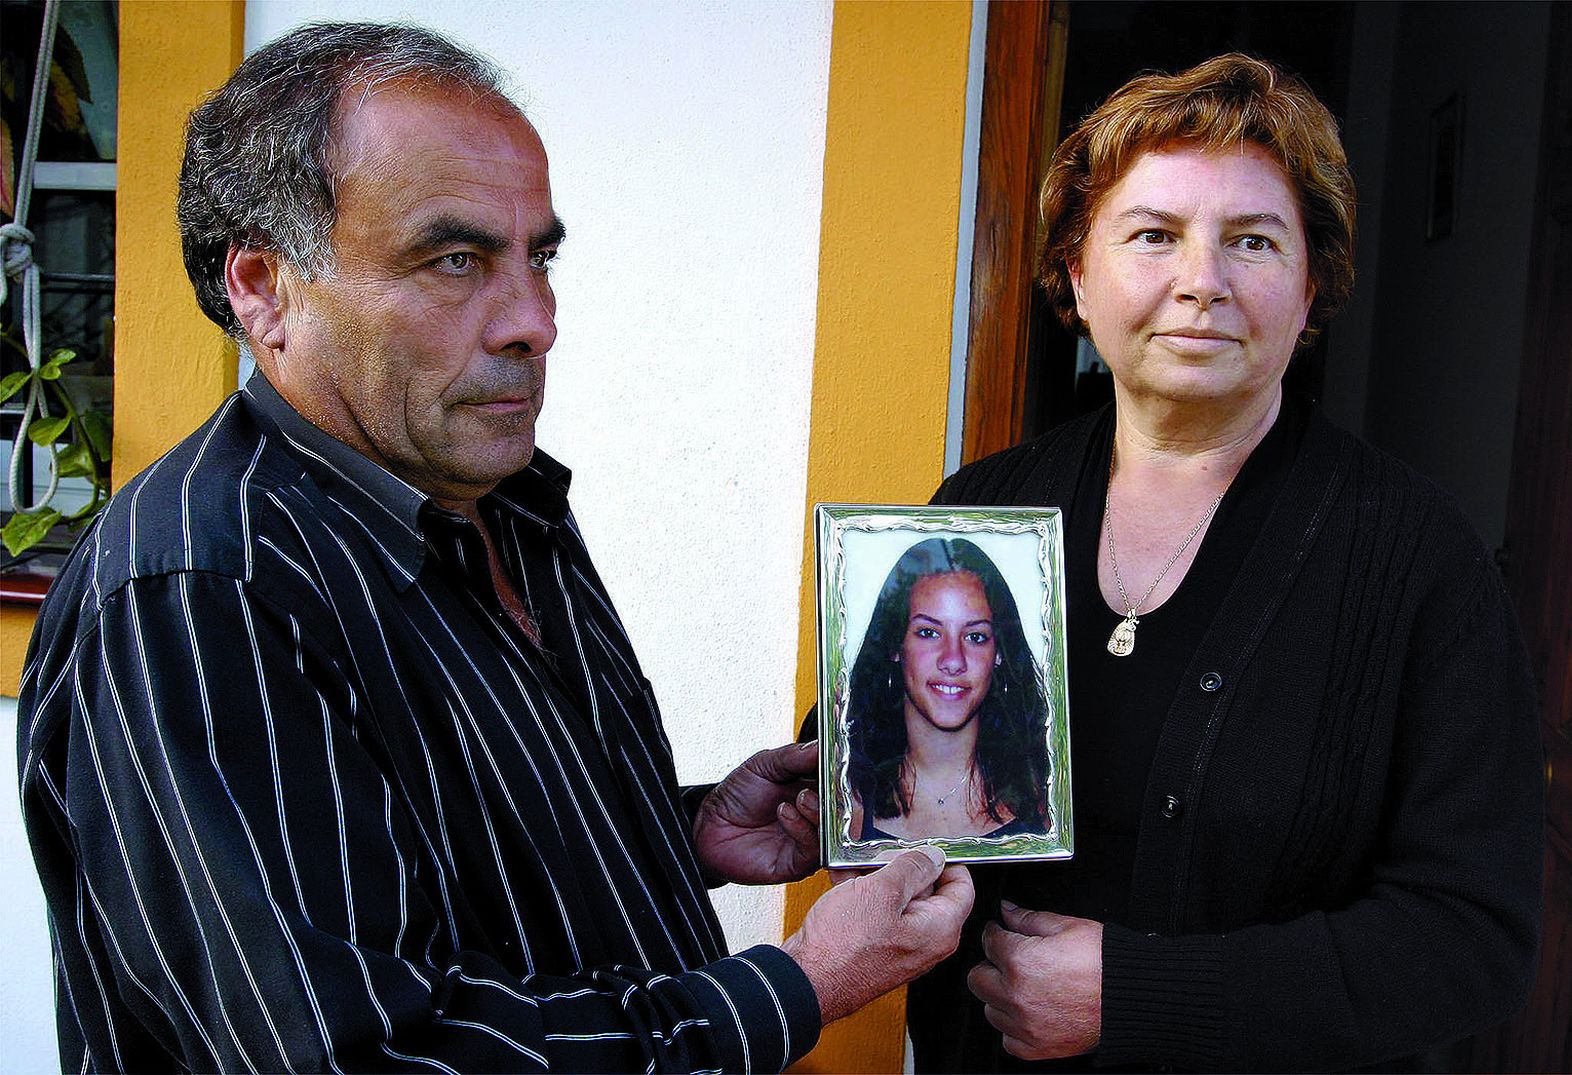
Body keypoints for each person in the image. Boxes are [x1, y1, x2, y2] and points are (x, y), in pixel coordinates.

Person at [16, 22, 974, 1073]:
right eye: (453, 258)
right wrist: (800, 981)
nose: (533, 319)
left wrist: (680, 830)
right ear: (264, 286)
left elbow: (446, 862)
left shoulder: (506, 496)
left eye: (539, 256)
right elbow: (365, 1054)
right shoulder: (201, 586)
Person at [906, 54, 1543, 1072]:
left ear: (1311, 288)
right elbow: (894, 786)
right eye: (1153, 235)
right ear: (1076, 271)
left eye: (1251, 240)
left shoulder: (1419, 562)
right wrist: (813, 800)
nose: (1200, 282)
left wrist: (1143, 995)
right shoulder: (975, 512)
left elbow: (1474, 939)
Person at [845, 537, 1050, 842]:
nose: (953, 661)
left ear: (999, 653)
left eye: (976, 637)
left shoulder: (1048, 794)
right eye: (928, 633)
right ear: (895, 644)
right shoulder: (846, 799)